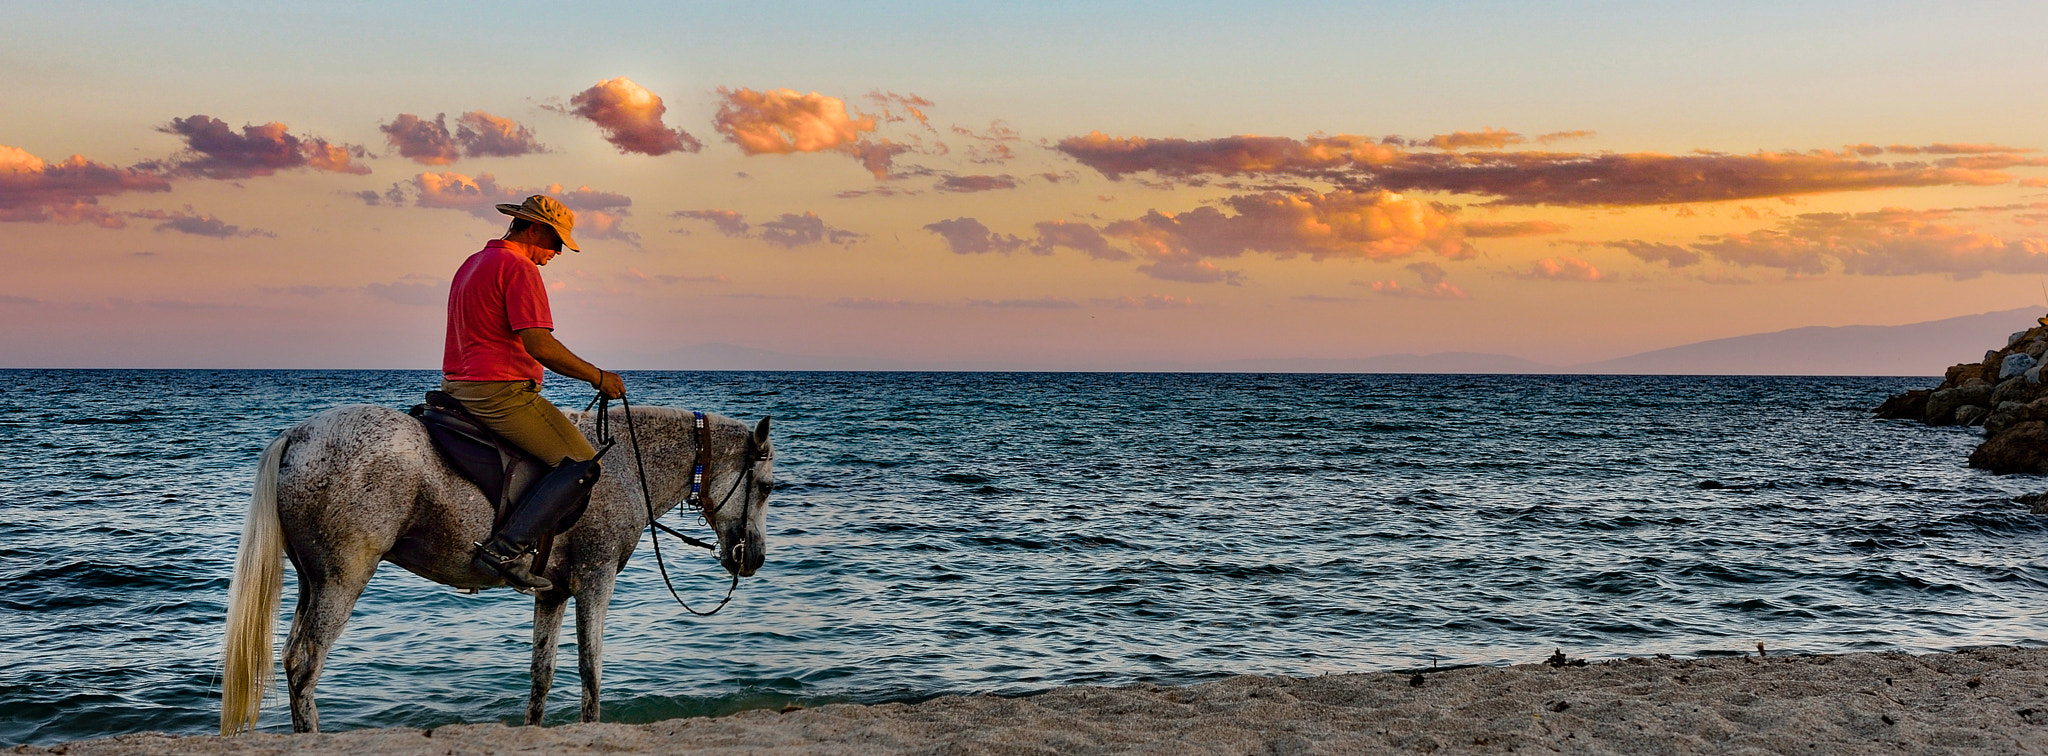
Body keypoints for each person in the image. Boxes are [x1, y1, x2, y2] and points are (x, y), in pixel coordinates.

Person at [441, 194, 625, 592]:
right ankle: (504, 550)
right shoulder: (519, 268)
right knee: (581, 463)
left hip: (457, 385)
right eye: (556, 243)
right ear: (535, 229)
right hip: (498, 391)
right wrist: (598, 377)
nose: (556, 253)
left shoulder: (472, 263)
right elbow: (539, 345)